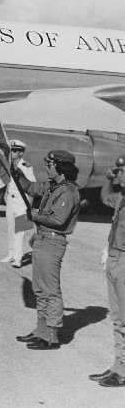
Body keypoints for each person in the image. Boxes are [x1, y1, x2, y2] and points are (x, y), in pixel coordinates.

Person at [14, 150, 81, 350]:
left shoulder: (67, 191)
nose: (47, 168)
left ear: (60, 167)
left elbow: (58, 220)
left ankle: (51, 335)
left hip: (52, 241)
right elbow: (31, 187)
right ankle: (40, 330)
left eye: (50, 165)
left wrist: (33, 215)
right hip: (42, 239)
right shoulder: (52, 187)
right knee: (40, 289)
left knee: (50, 291)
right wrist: (16, 174)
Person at [90, 156, 125, 387]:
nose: (117, 174)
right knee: (118, 319)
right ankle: (118, 365)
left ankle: (122, 371)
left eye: (121, 171)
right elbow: (104, 198)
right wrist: (109, 178)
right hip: (114, 258)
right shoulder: (121, 197)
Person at [0, 139, 35, 268]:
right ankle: (11, 253)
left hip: (22, 202)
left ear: (21, 153)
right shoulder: (9, 165)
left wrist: (28, 207)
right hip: (10, 200)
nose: (12, 153)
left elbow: (31, 188)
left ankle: (18, 258)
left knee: (19, 231)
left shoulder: (26, 167)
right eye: (11, 150)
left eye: (15, 151)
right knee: (10, 229)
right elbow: (9, 182)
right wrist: (5, 194)